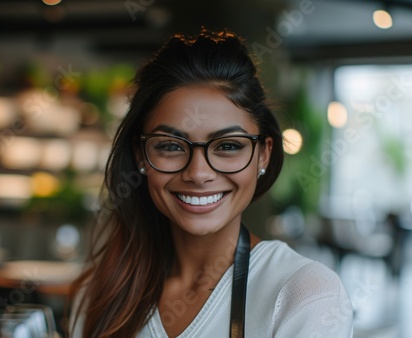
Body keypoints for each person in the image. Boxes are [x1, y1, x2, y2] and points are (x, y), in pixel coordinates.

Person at [68, 29, 353, 338]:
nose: (198, 173)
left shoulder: (305, 295)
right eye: (171, 146)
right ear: (141, 154)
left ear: (263, 155)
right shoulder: (100, 293)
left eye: (228, 146)